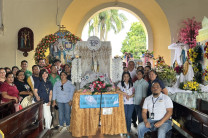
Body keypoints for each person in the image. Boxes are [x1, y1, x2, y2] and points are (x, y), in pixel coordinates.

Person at [117, 72, 134, 138]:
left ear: (129, 77)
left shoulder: (132, 84)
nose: (126, 78)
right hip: (123, 103)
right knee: (124, 117)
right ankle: (124, 131)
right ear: (122, 77)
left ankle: (128, 131)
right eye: (124, 76)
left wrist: (130, 96)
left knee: (129, 117)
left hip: (131, 103)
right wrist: (125, 94)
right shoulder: (120, 84)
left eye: (127, 76)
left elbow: (134, 93)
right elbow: (117, 90)